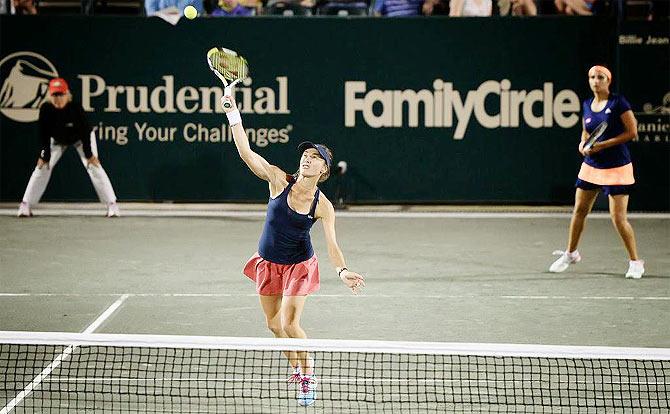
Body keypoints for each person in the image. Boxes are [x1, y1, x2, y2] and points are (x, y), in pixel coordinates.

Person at [221, 92, 365, 407]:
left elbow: (332, 245)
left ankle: (308, 375)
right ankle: (297, 371)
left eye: (315, 157)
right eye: (306, 154)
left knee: (289, 324)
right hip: (267, 263)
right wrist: (234, 115)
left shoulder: (322, 205)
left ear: (323, 171)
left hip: (299, 266)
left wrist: (341, 271)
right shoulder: (277, 180)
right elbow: (247, 153)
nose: (307, 158)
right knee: (273, 325)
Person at [549, 65, 644, 279]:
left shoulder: (618, 103)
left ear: (608, 81)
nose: (595, 81)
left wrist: (604, 145)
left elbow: (632, 132)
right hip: (592, 165)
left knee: (618, 218)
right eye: (592, 77)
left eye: (600, 77)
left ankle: (635, 262)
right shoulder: (586, 105)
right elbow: (586, 130)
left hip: (617, 166)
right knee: (579, 210)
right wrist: (583, 143)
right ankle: (571, 253)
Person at [17, 78, 120, 218]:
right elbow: (44, 134)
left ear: (67, 95)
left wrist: (89, 155)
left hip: (80, 139)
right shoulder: (46, 109)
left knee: (94, 166)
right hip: (58, 140)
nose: (57, 99)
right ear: (49, 96)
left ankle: (112, 205)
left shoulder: (75, 108)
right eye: (54, 95)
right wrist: (44, 155)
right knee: (42, 167)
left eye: (60, 95)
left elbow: (85, 132)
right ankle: (25, 205)